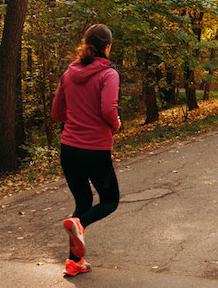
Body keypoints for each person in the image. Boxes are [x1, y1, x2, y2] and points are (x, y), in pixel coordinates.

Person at [51, 24, 122, 277]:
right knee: (110, 200)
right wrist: (116, 124)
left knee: (82, 202)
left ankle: (74, 262)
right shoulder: (109, 74)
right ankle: (80, 224)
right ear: (107, 47)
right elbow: (107, 109)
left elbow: (56, 113)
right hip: (95, 150)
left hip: (69, 149)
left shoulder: (69, 74)